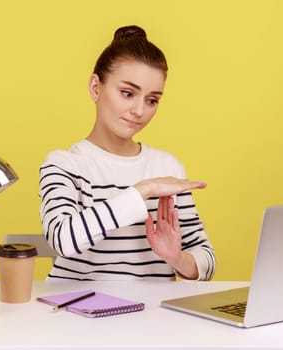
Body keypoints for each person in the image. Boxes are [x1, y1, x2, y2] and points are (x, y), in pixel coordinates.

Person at [39, 25, 215, 281]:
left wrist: (176, 258)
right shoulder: (64, 165)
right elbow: (62, 239)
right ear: (95, 88)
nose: (139, 110)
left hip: (149, 317)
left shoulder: (168, 168)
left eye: (152, 100)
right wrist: (143, 190)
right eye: (127, 93)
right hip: (74, 314)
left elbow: (206, 259)